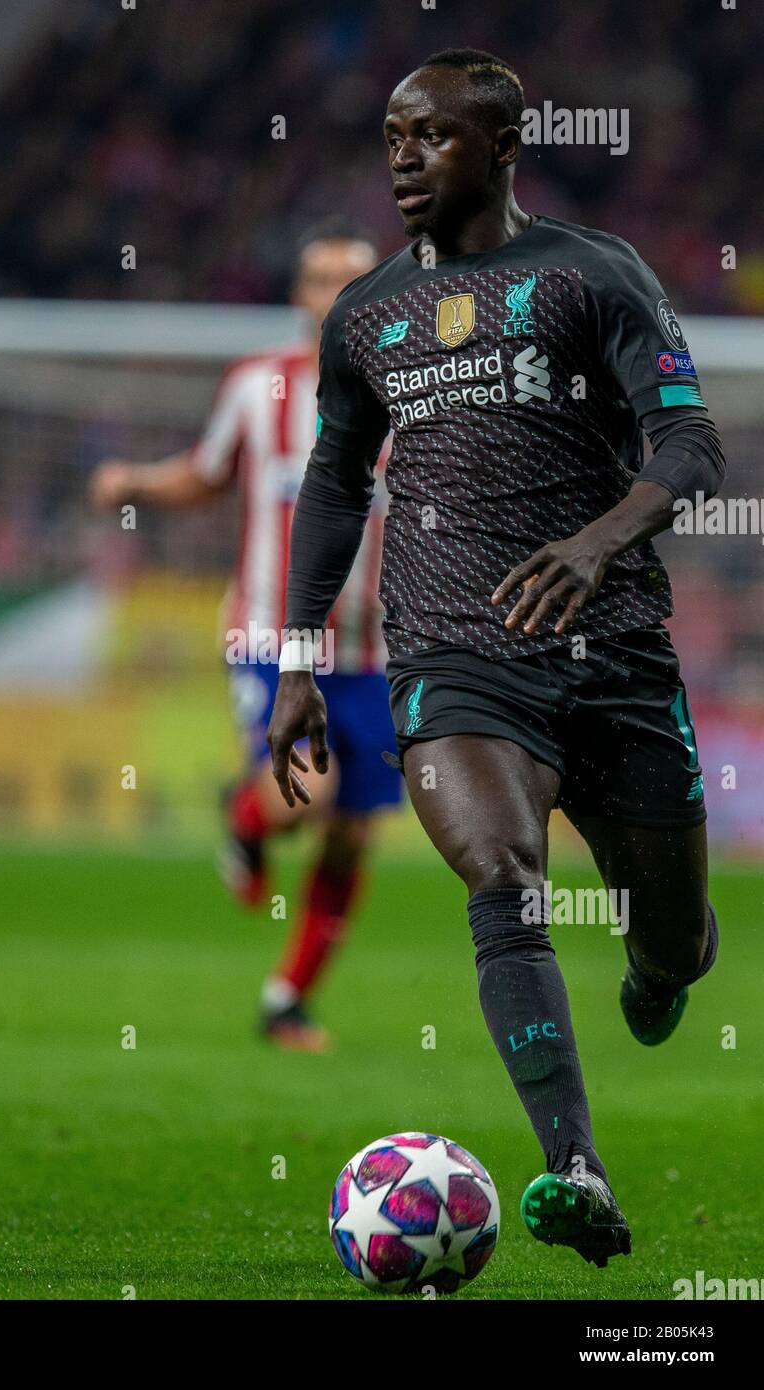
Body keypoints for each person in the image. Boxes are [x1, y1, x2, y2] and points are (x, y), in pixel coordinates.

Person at [267, 50, 725, 1266]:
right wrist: (297, 655)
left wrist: (593, 541)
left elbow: (687, 446)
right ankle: (572, 1161)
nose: (405, 160)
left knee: (672, 941)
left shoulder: (591, 274)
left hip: (614, 648)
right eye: (391, 139)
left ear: (502, 145)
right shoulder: (364, 314)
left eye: (432, 137)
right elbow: (329, 484)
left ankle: (662, 964)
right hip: (452, 653)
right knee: (501, 877)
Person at [90, 225, 402, 1051]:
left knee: (351, 832)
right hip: (275, 636)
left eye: (352, 278)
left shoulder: (418, 398)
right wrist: (134, 482)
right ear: (298, 295)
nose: (335, 290)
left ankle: (287, 998)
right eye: (319, 276)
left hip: (375, 652)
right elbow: (206, 473)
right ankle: (243, 813)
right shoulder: (257, 386)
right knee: (309, 790)